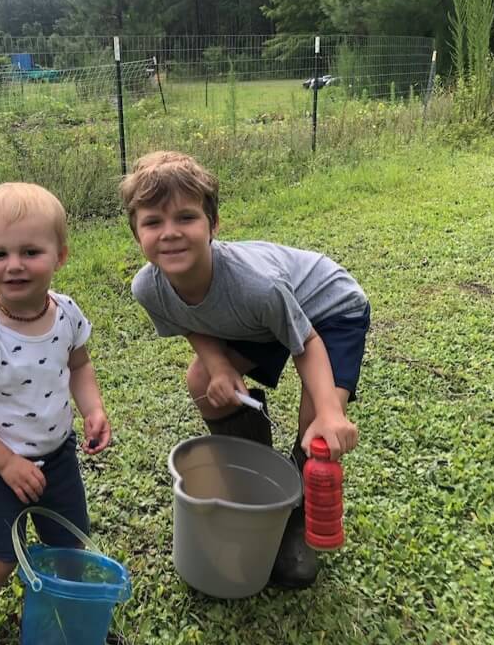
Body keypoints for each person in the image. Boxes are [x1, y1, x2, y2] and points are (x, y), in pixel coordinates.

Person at [120, 152, 370, 589]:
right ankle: (257, 484)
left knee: (317, 426)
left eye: (186, 217)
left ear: (213, 225)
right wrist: (217, 365)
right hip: (261, 323)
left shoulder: (256, 284)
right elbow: (188, 321)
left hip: (328, 312)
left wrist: (331, 412)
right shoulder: (149, 287)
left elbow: (306, 342)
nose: (170, 233)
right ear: (136, 232)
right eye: (153, 222)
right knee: (200, 380)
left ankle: (296, 517)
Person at [0, 182, 110, 645]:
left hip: (57, 458)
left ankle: (68, 616)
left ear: (60, 255)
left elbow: (79, 365)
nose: (14, 265)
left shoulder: (68, 314)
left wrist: (93, 408)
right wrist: (6, 464)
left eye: (30, 251)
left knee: (69, 548)